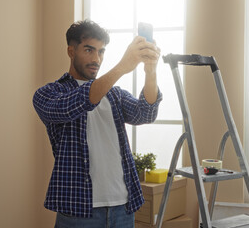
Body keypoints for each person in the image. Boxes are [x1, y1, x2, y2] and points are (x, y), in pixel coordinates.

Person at [33, 20, 162, 228]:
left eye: (101, 52)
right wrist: (122, 67)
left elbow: (145, 113)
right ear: (71, 51)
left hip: (123, 207)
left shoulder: (114, 94)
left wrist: (150, 71)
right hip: (78, 211)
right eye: (89, 50)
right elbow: (77, 103)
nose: (96, 59)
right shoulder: (49, 94)